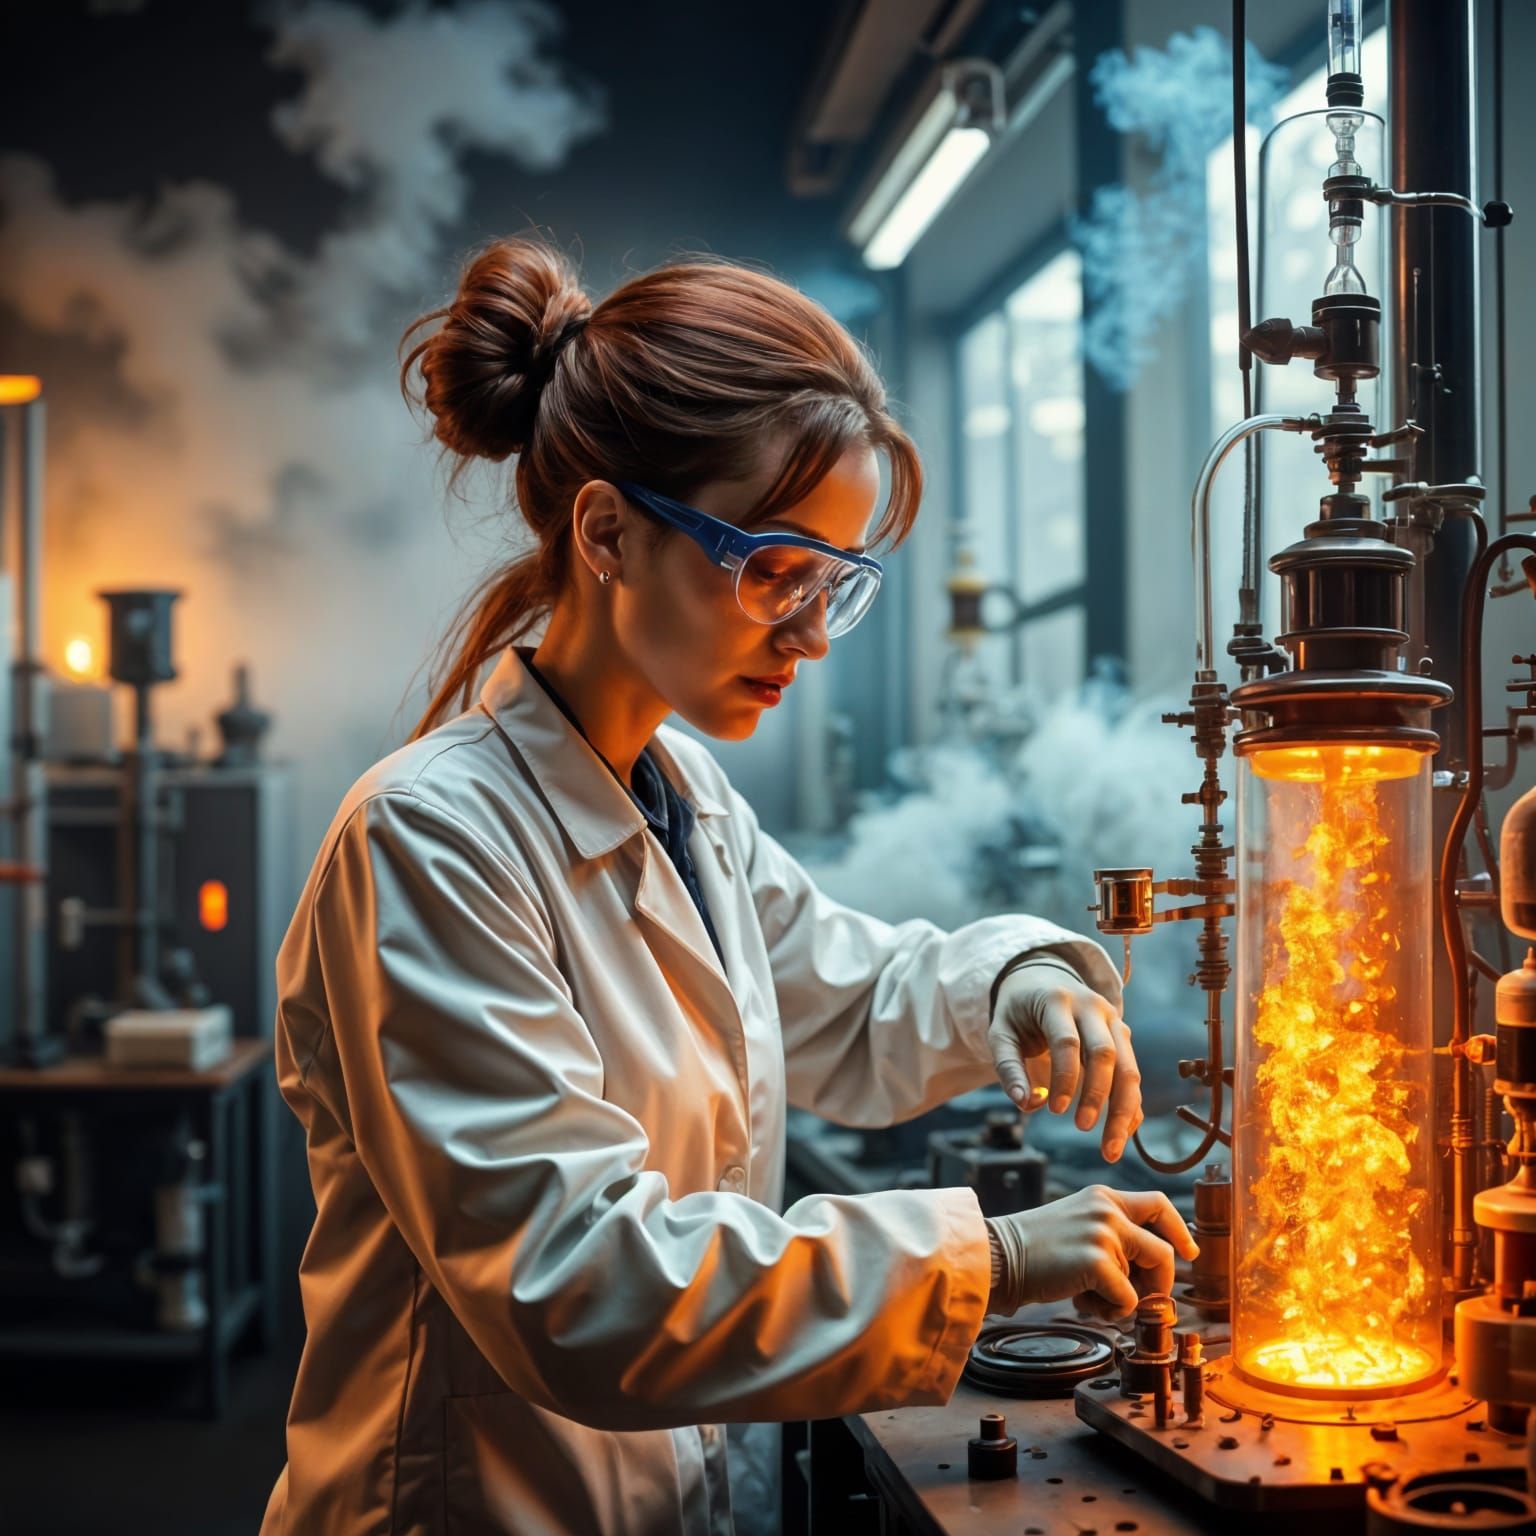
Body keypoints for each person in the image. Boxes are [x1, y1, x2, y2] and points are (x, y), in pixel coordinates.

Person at [259, 237, 1196, 1536]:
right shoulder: (427, 839)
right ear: (605, 532)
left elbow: (850, 1004)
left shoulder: (683, 794)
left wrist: (1018, 980)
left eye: (836, 585)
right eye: (774, 570)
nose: (810, 634)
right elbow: (578, 1281)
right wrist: (995, 1259)